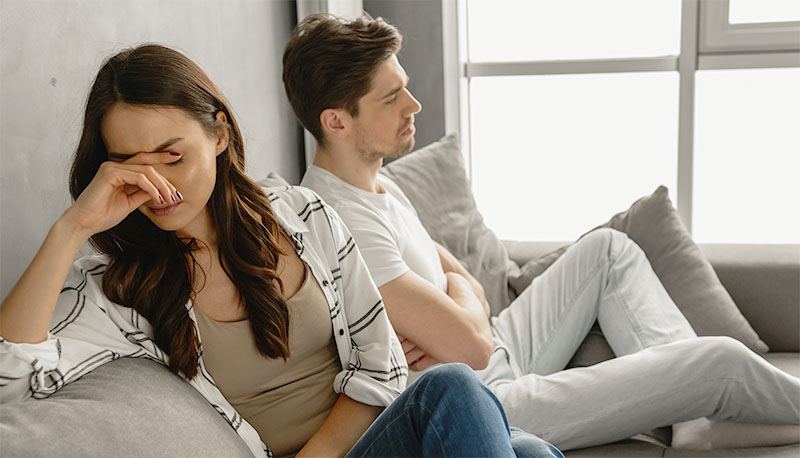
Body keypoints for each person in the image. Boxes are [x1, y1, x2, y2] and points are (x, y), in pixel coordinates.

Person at [0, 44, 564, 458]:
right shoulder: (118, 286)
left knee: (525, 446)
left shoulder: (302, 214)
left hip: (379, 443)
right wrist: (73, 226)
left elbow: (382, 362)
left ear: (218, 136)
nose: (157, 185)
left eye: (172, 156)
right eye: (132, 163)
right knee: (462, 392)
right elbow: (13, 377)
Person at [284, 13, 800, 452]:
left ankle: (692, 419)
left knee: (608, 249)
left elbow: (460, 284)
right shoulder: (342, 219)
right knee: (718, 360)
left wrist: (465, 304)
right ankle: (699, 397)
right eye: (392, 97)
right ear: (336, 122)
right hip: (486, 401)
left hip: (498, 345)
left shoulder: (378, 185)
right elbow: (472, 353)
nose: (414, 105)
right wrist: (468, 321)